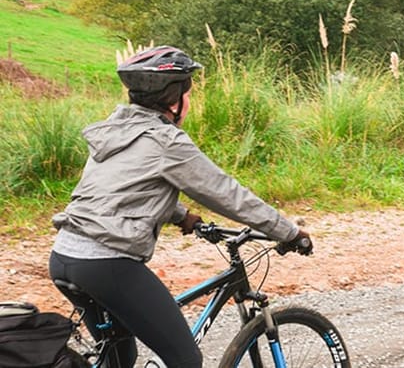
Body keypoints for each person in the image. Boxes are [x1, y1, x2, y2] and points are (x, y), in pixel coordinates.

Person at [49, 46, 311, 368]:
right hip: (106, 263)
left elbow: (119, 190)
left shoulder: (114, 131)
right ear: (174, 100)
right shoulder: (167, 142)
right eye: (188, 92)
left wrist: (181, 215)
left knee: (120, 358)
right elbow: (226, 194)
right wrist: (288, 231)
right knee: (185, 359)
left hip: (64, 257)